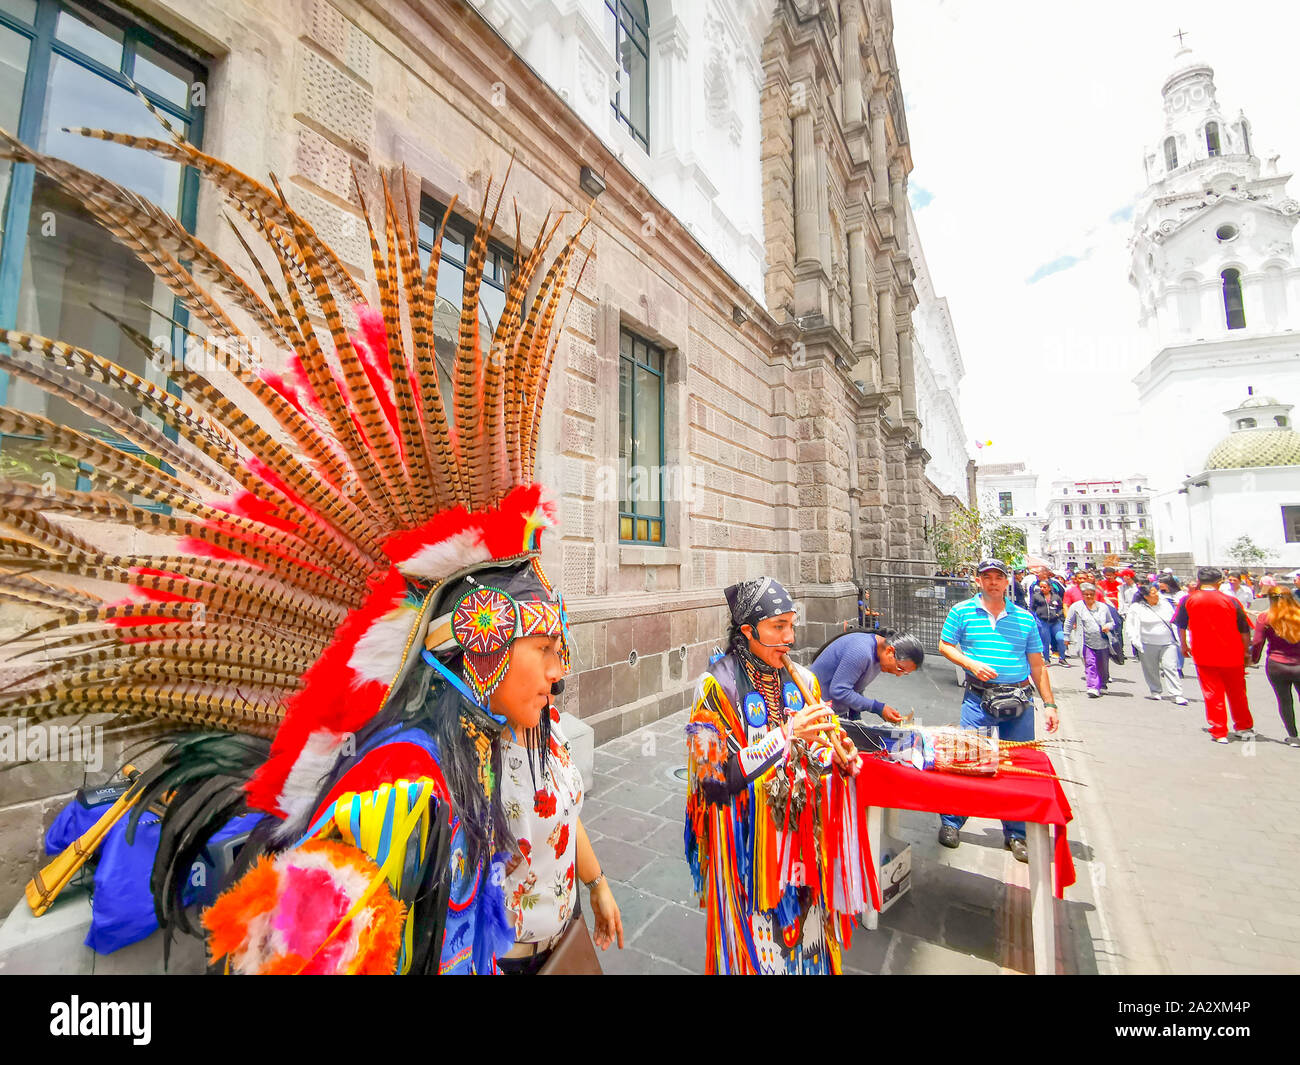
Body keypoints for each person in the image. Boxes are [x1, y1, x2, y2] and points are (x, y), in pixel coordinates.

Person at [0, 138, 615, 974]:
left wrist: (598, 882)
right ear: (476, 649)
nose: (560, 670)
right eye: (545, 648)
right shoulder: (396, 791)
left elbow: (555, 815)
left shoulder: (514, 730)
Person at [684, 577, 866, 974]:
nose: (789, 637)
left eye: (792, 625)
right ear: (748, 631)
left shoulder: (805, 679)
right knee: (757, 953)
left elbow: (815, 750)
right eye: (777, 627)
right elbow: (713, 780)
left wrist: (839, 759)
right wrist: (785, 736)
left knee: (808, 946)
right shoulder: (713, 687)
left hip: (802, 844)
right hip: (747, 855)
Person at [935, 559, 1058, 863]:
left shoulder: (1025, 619)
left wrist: (1050, 704)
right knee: (967, 761)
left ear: (1007, 582)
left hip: (1018, 702)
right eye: (986, 577)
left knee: (1015, 766)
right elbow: (945, 645)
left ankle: (1016, 833)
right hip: (979, 700)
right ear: (978, 581)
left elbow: (1037, 664)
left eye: (998, 578)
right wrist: (970, 663)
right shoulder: (961, 611)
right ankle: (952, 821)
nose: (992, 582)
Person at [1175, 567, 1254, 744]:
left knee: (1212, 692)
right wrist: (1246, 652)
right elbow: (1244, 629)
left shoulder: (1188, 600)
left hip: (1203, 653)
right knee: (1238, 692)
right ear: (1219, 582)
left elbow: (1181, 624)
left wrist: (1184, 645)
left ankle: (1219, 731)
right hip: (1231, 653)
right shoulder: (1231, 601)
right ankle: (1243, 726)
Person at [810, 628, 924, 723]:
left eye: (905, 673)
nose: (899, 674)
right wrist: (877, 708)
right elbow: (839, 690)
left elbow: (856, 686)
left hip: (833, 711)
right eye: (900, 668)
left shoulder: (880, 654)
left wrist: (856, 717)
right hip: (816, 710)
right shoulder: (862, 652)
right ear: (890, 651)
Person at [1250, 588, 1300, 748]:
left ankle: (1293, 737)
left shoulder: (1265, 618)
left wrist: (1254, 659)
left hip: (1277, 665)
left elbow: (1257, 642)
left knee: (1285, 701)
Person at [1123, 584, 1188, 705]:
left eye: (1156, 591)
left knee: (1170, 667)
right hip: (1147, 643)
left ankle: (1176, 694)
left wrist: (1181, 639)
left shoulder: (1165, 604)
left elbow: (1174, 621)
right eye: (1153, 592)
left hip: (1168, 643)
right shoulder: (1136, 608)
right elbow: (1131, 626)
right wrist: (1134, 641)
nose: (1157, 594)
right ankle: (1155, 690)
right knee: (1151, 669)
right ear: (1146, 596)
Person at [1064, 583, 1114, 697]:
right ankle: (1092, 687)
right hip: (1086, 642)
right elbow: (1068, 622)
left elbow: (1111, 622)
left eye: (1091, 594)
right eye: (1086, 595)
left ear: (1095, 595)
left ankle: (1103, 684)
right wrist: (1066, 636)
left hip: (1102, 642)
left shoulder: (1103, 607)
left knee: (1103, 666)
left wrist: (1108, 626)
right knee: (1090, 664)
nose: (1089, 597)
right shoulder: (1076, 607)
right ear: (1083, 595)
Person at [1028, 576, 1069, 666]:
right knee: (1045, 641)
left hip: (1055, 622)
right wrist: (1036, 619)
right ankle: (1046, 659)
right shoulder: (1036, 596)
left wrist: (1058, 615)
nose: (1042, 589)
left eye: (1044, 587)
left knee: (1060, 638)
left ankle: (1062, 658)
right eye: (1041, 587)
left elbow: (1060, 608)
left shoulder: (1056, 597)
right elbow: (1032, 608)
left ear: (1049, 588)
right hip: (1043, 622)